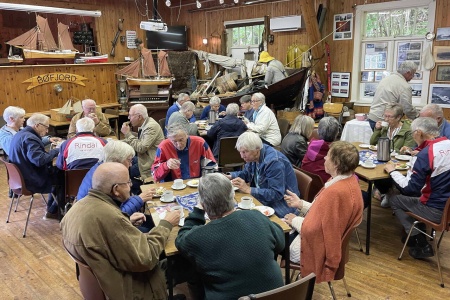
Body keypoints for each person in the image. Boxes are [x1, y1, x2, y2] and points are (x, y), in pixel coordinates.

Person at [61, 162, 181, 299]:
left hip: (106, 281)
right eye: (128, 182)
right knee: (182, 260)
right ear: (116, 189)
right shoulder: (109, 218)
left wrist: (127, 223)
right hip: (129, 287)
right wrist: (166, 224)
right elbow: (146, 258)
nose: (130, 186)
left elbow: (103, 236)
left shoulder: (77, 207)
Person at [175, 173, 285, 299]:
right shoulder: (256, 216)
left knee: (192, 272)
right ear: (233, 197)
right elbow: (281, 243)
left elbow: (181, 239)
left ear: (204, 205)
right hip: (276, 296)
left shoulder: (198, 237)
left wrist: (198, 211)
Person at [283, 141, 363, 283]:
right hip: (328, 246)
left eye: (327, 156)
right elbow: (325, 214)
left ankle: (287, 290)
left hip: (315, 250)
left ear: (336, 164)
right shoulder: (350, 182)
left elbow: (314, 230)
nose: (324, 159)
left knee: (272, 242)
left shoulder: (334, 192)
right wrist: (300, 204)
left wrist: (294, 220)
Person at [384, 117, 450, 259]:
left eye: (413, 132)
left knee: (394, 199)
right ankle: (416, 233)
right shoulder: (445, 145)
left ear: (419, 133)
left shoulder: (427, 154)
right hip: (447, 206)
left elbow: (410, 189)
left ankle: (419, 241)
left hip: (436, 211)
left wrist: (392, 171)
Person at [77, 140, 157, 233]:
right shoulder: (104, 180)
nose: (131, 164)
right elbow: (114, 216)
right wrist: (139, 199)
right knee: (152, 230)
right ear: (116, 160)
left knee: (151, 221)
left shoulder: (101, 169)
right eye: (129, 160)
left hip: (101, 225)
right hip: (98, 231)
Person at [226, 131, 298, 218]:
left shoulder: (273, 162)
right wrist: (229, 176)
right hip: (263, 199)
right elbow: (246, 174)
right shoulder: (254, 156)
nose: (242, 156)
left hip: (282, 205)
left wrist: (249, 189)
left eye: (245, 152)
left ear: (257, 149)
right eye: (240, 152)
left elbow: (276, 194)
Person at [8, 114, 61, 219]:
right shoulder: (30, 138)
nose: (47, 131)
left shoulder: (21, 134)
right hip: (31, 180)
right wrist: (57, 150)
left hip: (20, 178)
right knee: (64, 176)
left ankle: (52, 208)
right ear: (37, 125)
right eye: (46, 127)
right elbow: (39, 160)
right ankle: (53, 211)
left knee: (58, 173)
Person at [370, 104, 415, 208]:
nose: (386, 119)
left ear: (399, 117)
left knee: (381, 173)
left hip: (400, 164)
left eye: (389, 116)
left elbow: (407, 151)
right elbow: (373, 143)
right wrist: (377, 130)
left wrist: (394, 151)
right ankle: (388, 193)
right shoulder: (385, 128)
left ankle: (388, 193)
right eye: (385, 116)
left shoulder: (408, 131)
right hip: (385, 159)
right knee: (373, 171)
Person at [152, 123, 216, 182]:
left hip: (196, 183)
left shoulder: (199, 143)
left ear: (187, 135)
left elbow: (211, 165)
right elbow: (155, 175)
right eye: (174, 141)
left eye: (181, 140)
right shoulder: (163, 146)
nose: (179, 144)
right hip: (172, 185)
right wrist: (166, 165)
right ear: (169, 139)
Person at [368, 61, 419, 130]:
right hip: (385, 120)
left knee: (378, 139)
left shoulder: (386, 79)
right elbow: (407, 108)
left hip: (373, 116)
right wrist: (418, 116)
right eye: (413, 74)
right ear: (408, 73)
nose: (413, 77)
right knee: (387, 140)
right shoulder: (404, 86)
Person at [121, 104, 164, 182]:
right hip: (143, 159)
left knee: (123, 172)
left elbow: (141, 148)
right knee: (123, 161)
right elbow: (139, 140)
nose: (128, 118)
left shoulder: (151, 127)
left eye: (130, 115)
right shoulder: (145, 123)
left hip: (150, 164)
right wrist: (119, 142)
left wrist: (127, 134)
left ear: (139, 117)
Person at [301, 117, 340, 183]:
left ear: (318, 132)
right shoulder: (336, 153)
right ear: (337, 133)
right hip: (326, 189)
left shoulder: (311, 145)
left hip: (307, 187)